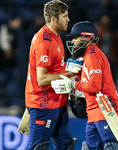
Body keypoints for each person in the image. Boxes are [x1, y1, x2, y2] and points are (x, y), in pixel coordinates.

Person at [51, 21, 118, 150]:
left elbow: (94, 86)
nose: (72, 42)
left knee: (110, 146)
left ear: (86, 37)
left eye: (75, 38)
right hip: (94, 110)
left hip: (105, 108)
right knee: (91, 147)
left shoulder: (93, 56)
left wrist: (73, 85)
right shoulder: (89, 55)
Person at [24, 0, 77, 149]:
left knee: (66, 146)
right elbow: (42, 79)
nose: (68, 19)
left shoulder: (55, 35)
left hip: (57, 100)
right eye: (65, 16)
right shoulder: (44, 42)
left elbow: (55, 67)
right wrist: (69, 74)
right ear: (54, 19)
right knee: (38, 147)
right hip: (43, 104)